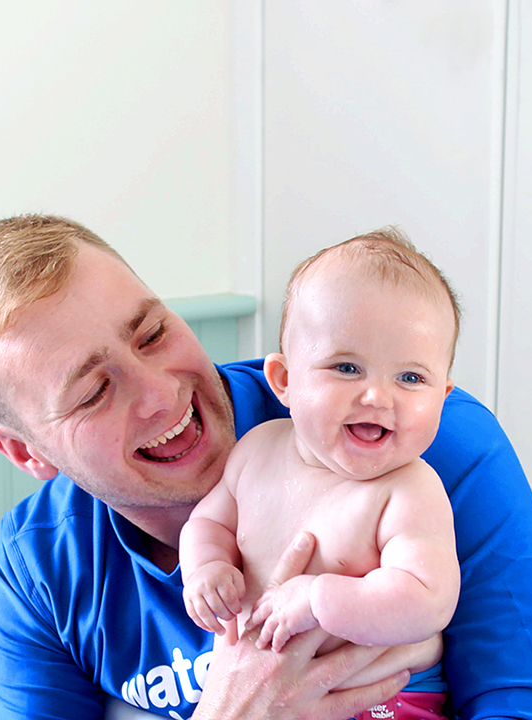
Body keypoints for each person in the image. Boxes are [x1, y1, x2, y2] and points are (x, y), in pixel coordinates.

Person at [0, 214, 532, 720]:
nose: (162, 393)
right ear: (25, 452)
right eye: (95, 390)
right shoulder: (35, 578)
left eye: (152, 333)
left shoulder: (411, 445)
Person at [180, 230, 461, 720]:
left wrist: (319, 597)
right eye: (347, 367)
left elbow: (428, 599)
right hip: (260, 691)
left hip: (382, 697)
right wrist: (205, 569)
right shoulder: (256, 451)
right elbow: (209, 523)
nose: (377, 396)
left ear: (443, 395)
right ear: (284, 381)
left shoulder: (408, 490)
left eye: (410, 378)